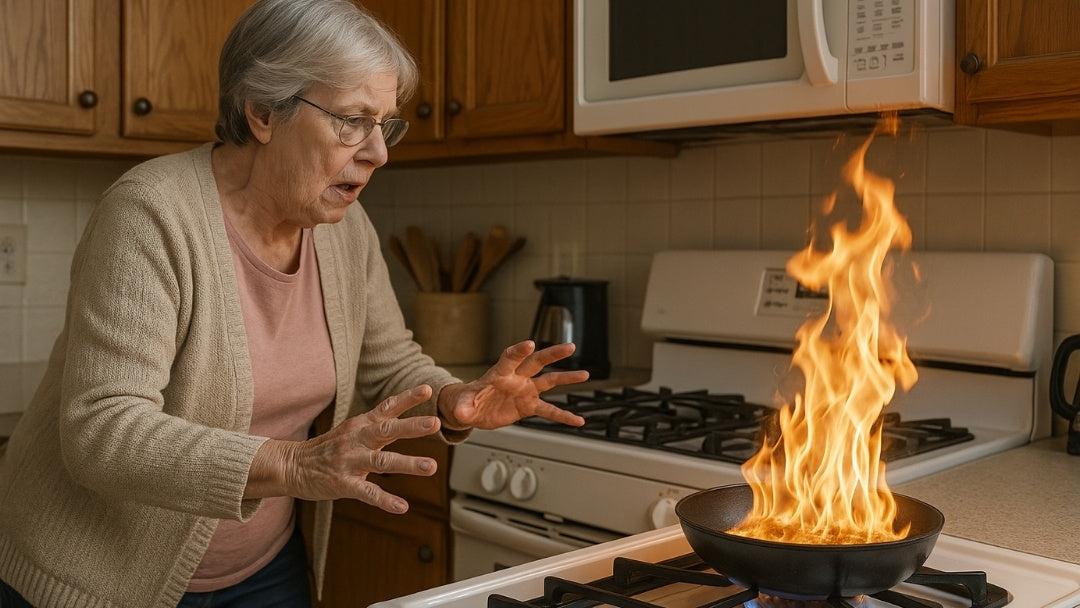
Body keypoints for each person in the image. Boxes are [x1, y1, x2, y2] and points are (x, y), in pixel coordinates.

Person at [0, 1, 588, 606]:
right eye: (353, 120)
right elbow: (103, 431)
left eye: (385, 123)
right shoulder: (151, 214)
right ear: (261, 111)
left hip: (265, 570)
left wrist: (452, 396)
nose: (378, 152)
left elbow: (387, 361)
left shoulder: (344, 226)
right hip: (103, 576)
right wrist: (293, 466)